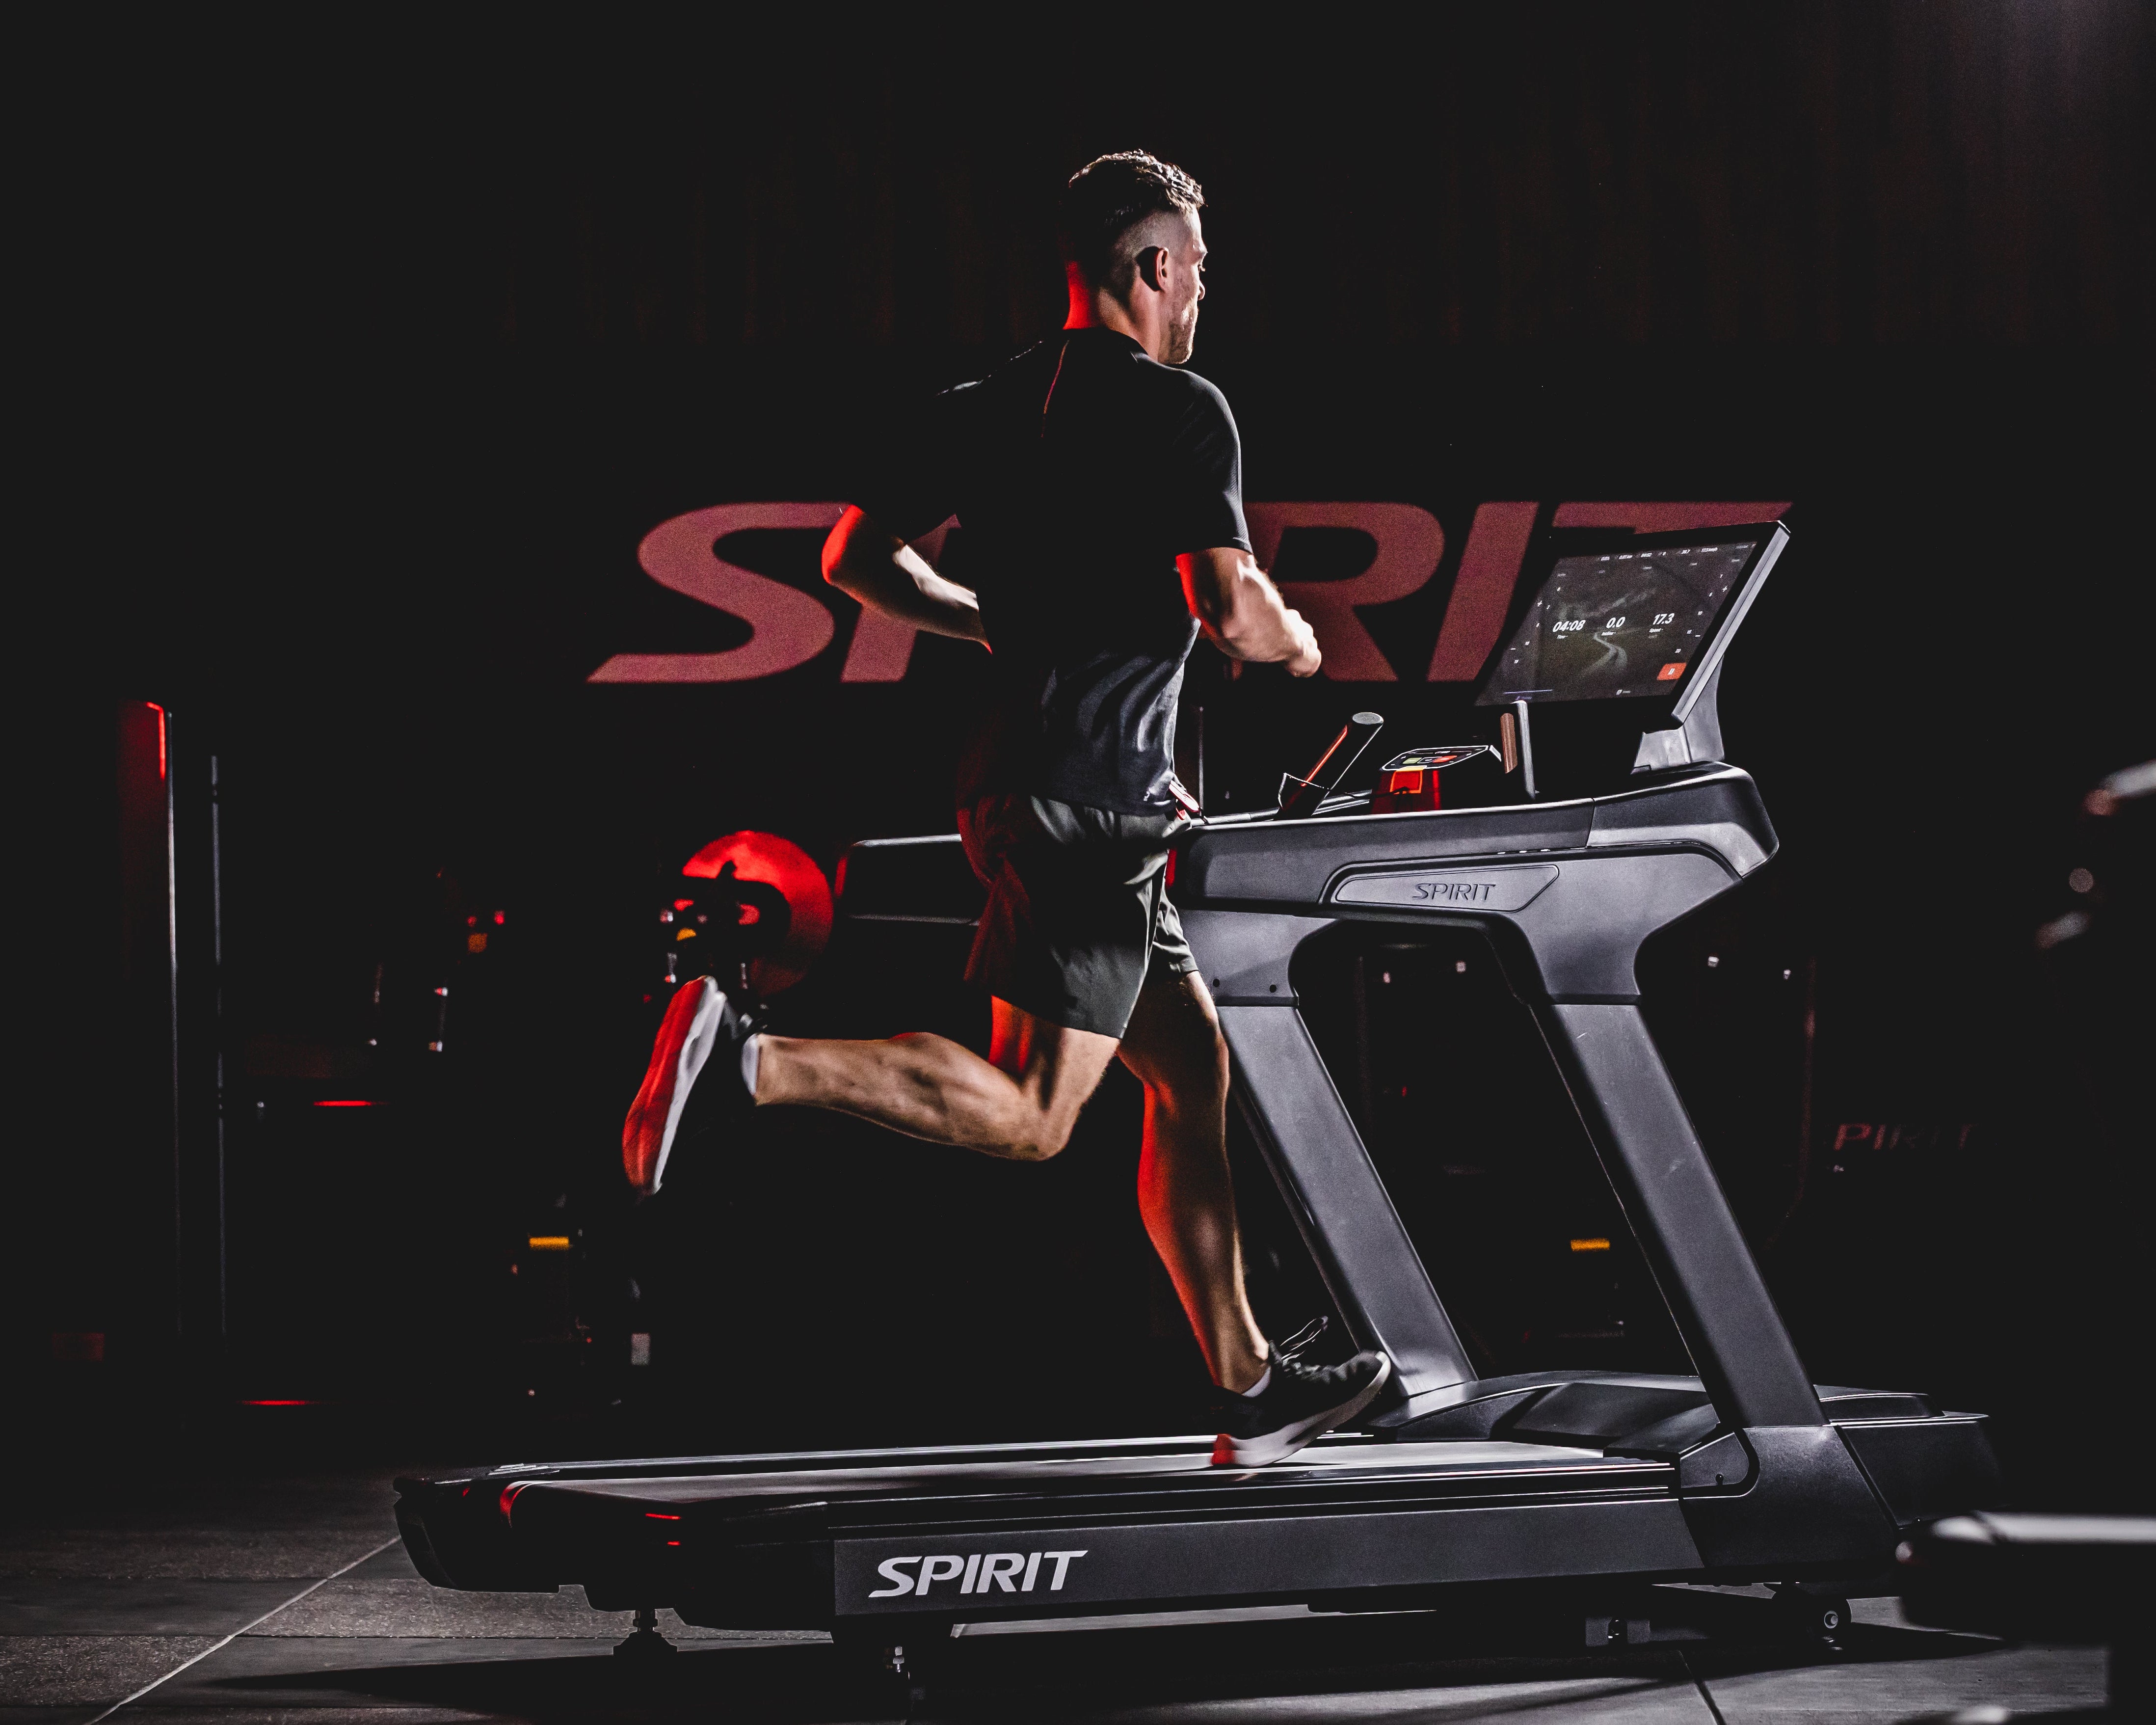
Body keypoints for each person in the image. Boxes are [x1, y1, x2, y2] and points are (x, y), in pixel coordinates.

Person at [622, 150, 1389, 1467]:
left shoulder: (984, 405)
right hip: (1092, 802)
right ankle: (748, 1058)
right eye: (1198, 268)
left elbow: (853, 559)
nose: (1204, 293)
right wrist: (1300, 643)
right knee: (1036, 1114)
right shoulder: (1184, 408)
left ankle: (1250, 1379)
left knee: (1189, 1073)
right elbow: (1227, 606)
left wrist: (990, 623)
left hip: (1040, 782)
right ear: (1154, 265)